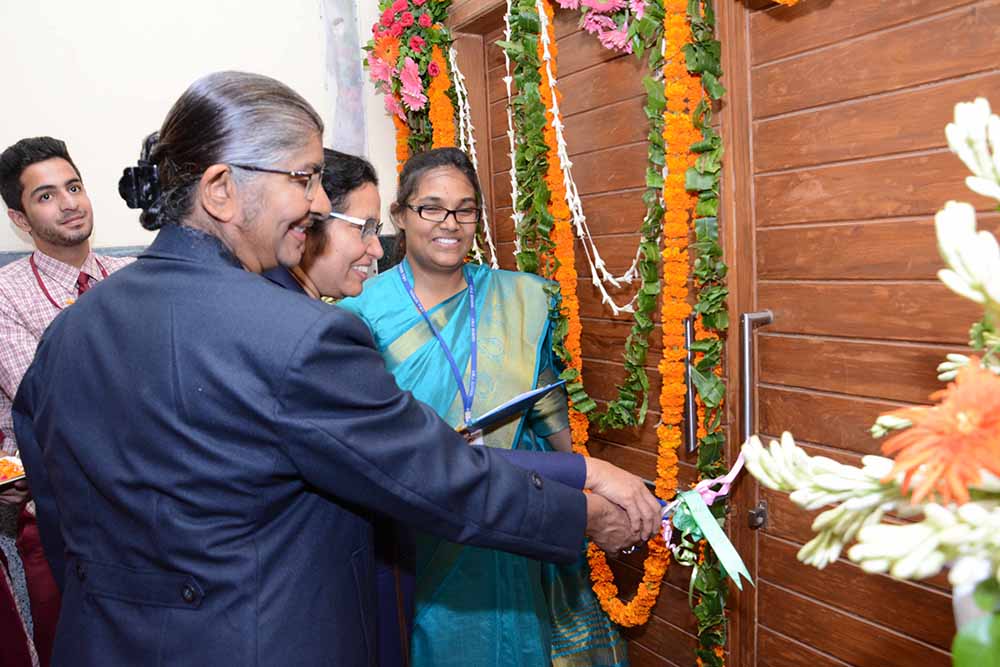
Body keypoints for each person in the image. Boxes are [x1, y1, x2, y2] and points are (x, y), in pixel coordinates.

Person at [12, 71, 659, 667]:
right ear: (220, 190)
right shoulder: (296, 336)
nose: (320, 201)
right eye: (304, 176)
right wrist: (582, 517)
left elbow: (65, 536)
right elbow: (439, 476)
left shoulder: (69, 334)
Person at [338, 147, 632, 667]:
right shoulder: (358, 313)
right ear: (401, 215)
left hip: (516, 515)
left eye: (465, 209)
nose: (449, 223)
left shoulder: (523, 298)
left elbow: (547, 412)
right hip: (418, 530)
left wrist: (593, 492)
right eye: (431, 208)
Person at [0, 136, 134, 667]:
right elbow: (45, 394)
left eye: (73, 187)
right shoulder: (6, 294)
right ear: (21, 219)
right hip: (53, 508)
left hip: (146, 499)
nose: (70, 202)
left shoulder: (134, 277)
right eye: (47, 195)